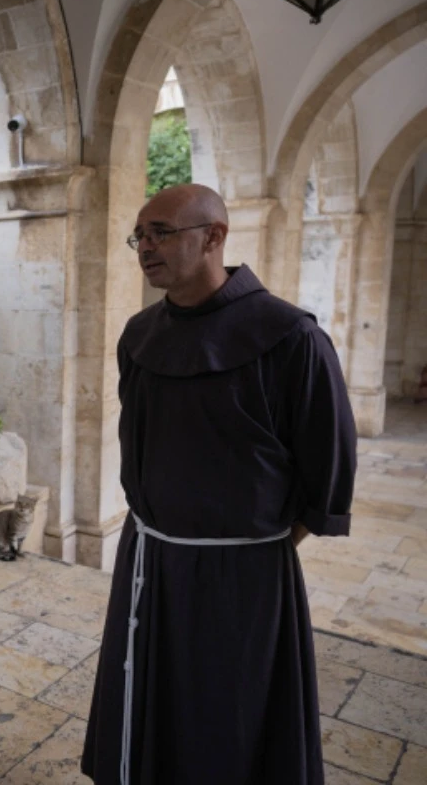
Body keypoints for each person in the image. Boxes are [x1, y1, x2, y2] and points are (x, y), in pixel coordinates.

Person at [81, 184, 357, 785]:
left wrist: (244, 551)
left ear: (214, 236)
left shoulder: (292, 339)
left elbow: (326, 475)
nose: (145, 247)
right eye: (140, 236)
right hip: (148, 557)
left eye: (161, 232)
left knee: (229, 725)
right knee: (145, 710)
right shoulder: (139, 334)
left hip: (242, 576)